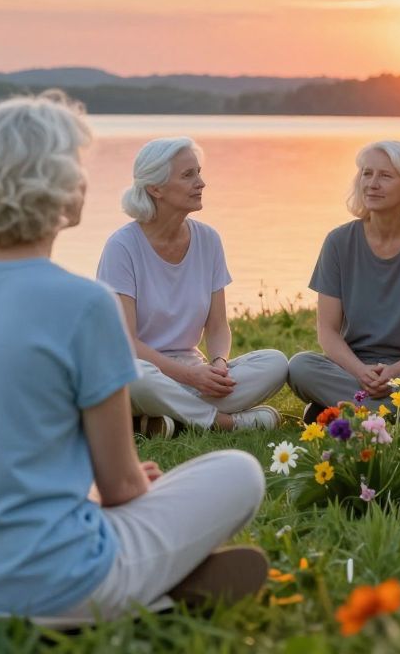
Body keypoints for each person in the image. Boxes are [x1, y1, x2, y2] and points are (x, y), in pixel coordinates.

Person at [0, 93, 268, 620]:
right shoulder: (82, 303)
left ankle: (150, 575)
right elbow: (119, 487)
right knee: (239, 471)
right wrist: (136, 484)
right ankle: (153, 581)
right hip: (47, 577)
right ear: (60, 188)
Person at [96, 138, 286, 436]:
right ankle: (225, 423)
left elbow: (218, 326)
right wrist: (190, 376)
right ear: (155, 188)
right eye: (188, 176)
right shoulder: (122, 246)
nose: (201, 183)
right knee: (139, 377)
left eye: (198, 172)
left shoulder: (209, 240)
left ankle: (167, 420)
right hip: (140, 370)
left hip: (191, 371)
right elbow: (127, 344)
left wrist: (219, 365)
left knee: (275, 363)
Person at [287, 140, 400, 418]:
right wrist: (360, 372)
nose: (372, 183)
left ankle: (350, 410)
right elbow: (328, 331)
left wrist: (395, 372)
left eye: (385, 175)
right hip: (352, 369)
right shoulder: (338, 241)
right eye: (366, 173)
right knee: (300, 366)